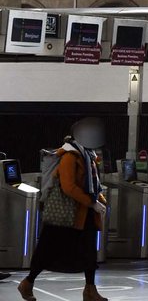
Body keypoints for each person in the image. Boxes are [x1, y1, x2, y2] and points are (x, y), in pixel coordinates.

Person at [19, 119, 109, 301]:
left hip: (84, 214)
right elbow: (68, 187)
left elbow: (92, 186)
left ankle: (90, 290)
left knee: (89, 251)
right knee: (47, 251)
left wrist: (99, 201)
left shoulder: (89, 156)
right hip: (65, 214)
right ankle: (27, 283)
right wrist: (92, 203)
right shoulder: (70, 156)